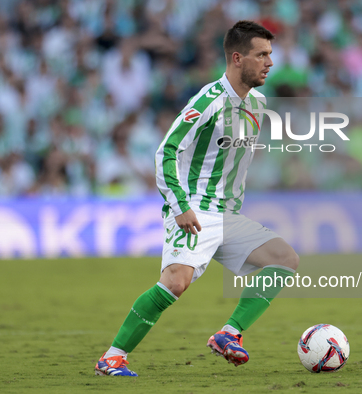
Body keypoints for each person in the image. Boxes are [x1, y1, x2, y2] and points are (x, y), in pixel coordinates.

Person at [94, 20, 299, 377]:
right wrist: (180, 206)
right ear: (237, 58)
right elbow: (166, 151)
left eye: (270, 54)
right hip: (195, 210)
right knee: (175, 283)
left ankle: (228, 334)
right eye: (261, 55)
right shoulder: (208, 101)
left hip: (228, 216)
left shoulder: (258, 104)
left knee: (284, 259)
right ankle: (112, 357)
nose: (269, 62)